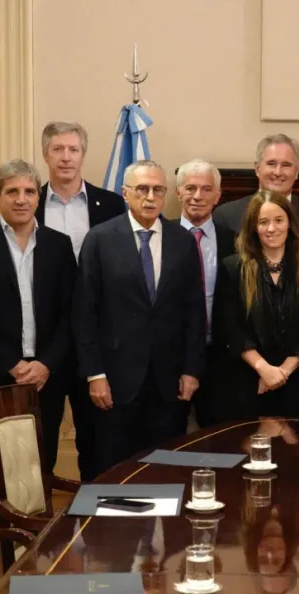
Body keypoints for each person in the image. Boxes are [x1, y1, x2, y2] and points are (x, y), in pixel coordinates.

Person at [0, 159, 76, 584]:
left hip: (46, 377)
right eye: (13, 192)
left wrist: (44, 364)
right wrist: (13, 363)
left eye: (29, 192)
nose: (22, 199)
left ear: (38, 197)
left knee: (37, 465)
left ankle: (30, 546)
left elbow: (69, 314)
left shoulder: (60, 247)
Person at [74, 160, 206, 474]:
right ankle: (115, 525)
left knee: (166, 468)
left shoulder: (182, 241)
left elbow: (194, 311)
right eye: (142, 189)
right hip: (115, 380)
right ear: (125, 193)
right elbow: (84, 313)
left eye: (157, 190)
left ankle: (163, 525)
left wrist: (192, 370)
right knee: (116, 468)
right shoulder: (100, 239)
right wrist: (95, 375)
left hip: (168, 380)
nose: (150, 197)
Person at [35, 121, 125, 481]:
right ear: (45, 154)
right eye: (58, 149)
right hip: (46, 346)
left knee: (99, 444)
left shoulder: (113, 204)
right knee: (40, 447)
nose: (66, 157)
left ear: (83, 155)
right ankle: (40, 532)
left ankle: (96, 531)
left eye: (73, 149)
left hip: (98, 346)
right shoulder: (29, 200)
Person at [214, 190, 299, 419]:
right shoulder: (233, 268)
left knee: (296, 451)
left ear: (289, 223)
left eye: (278, 220)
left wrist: (281, 373)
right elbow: (230, 328)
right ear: (254, 227)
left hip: (296, 383)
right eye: (263, 222)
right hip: (248, 383)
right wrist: (263, 369)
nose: (272, 228)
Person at [171, 159, 237, 427]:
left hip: (222, 357)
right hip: (174, 355)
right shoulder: (160, 237)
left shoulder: (235, 241)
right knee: (171, 439)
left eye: (206, 189)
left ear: (218, 196)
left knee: (219, 438)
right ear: (178, 193)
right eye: (190, 188)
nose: (198, 196)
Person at [214, 133, 299, 239]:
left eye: (286, 165)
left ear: (296, 172)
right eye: (271, 164)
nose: (278, 172)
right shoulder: (226, 216)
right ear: (257, 168)